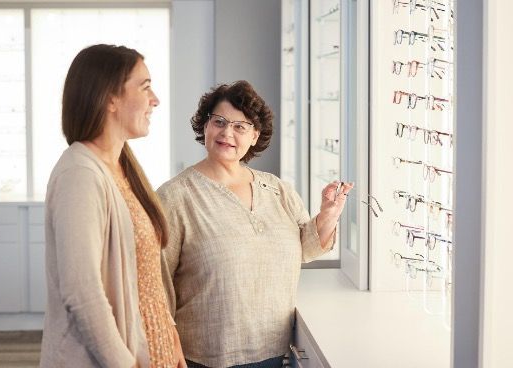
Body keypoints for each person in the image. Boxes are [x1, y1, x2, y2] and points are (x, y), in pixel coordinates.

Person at [157, 80, 353, 367]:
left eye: (240, 126)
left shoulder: (277, 189)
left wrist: (329, 214)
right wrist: (166, 346)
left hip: (273, 351)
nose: (227, 133)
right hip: (204, 357)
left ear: (254, 136)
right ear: (205, 126)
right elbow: (155, 282)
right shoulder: (174, 196)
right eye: (219, 121)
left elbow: (307, 248)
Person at [40, 44, 186, 368]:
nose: (155, 100)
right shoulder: (80, 174)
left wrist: (170, 334)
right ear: (110, 98)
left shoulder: (122, 166)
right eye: (145, 87)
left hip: (153, 349)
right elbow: (82, 292)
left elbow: (145, 273)